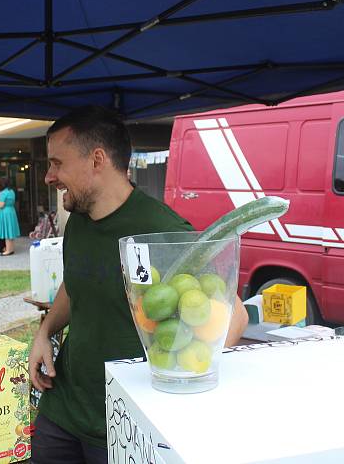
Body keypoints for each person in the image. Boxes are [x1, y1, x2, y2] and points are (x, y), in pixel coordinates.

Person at [29, 107, 248, 463]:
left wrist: (178, 384)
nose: (49, 176)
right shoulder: (79, 222)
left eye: (57, 163)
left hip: (121, 422)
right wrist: (45, 331)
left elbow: (233, 316)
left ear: (97, 160)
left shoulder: (161, 230)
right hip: (64, 408)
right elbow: (76, 282)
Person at [0, 177, 20, 256]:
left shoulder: (3, 192)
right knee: (10, 231)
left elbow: (1, 205)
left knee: (7, 232)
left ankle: (8, 250)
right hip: (11, 211)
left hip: (5, 213)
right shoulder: (12, 191)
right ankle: (11, 249)